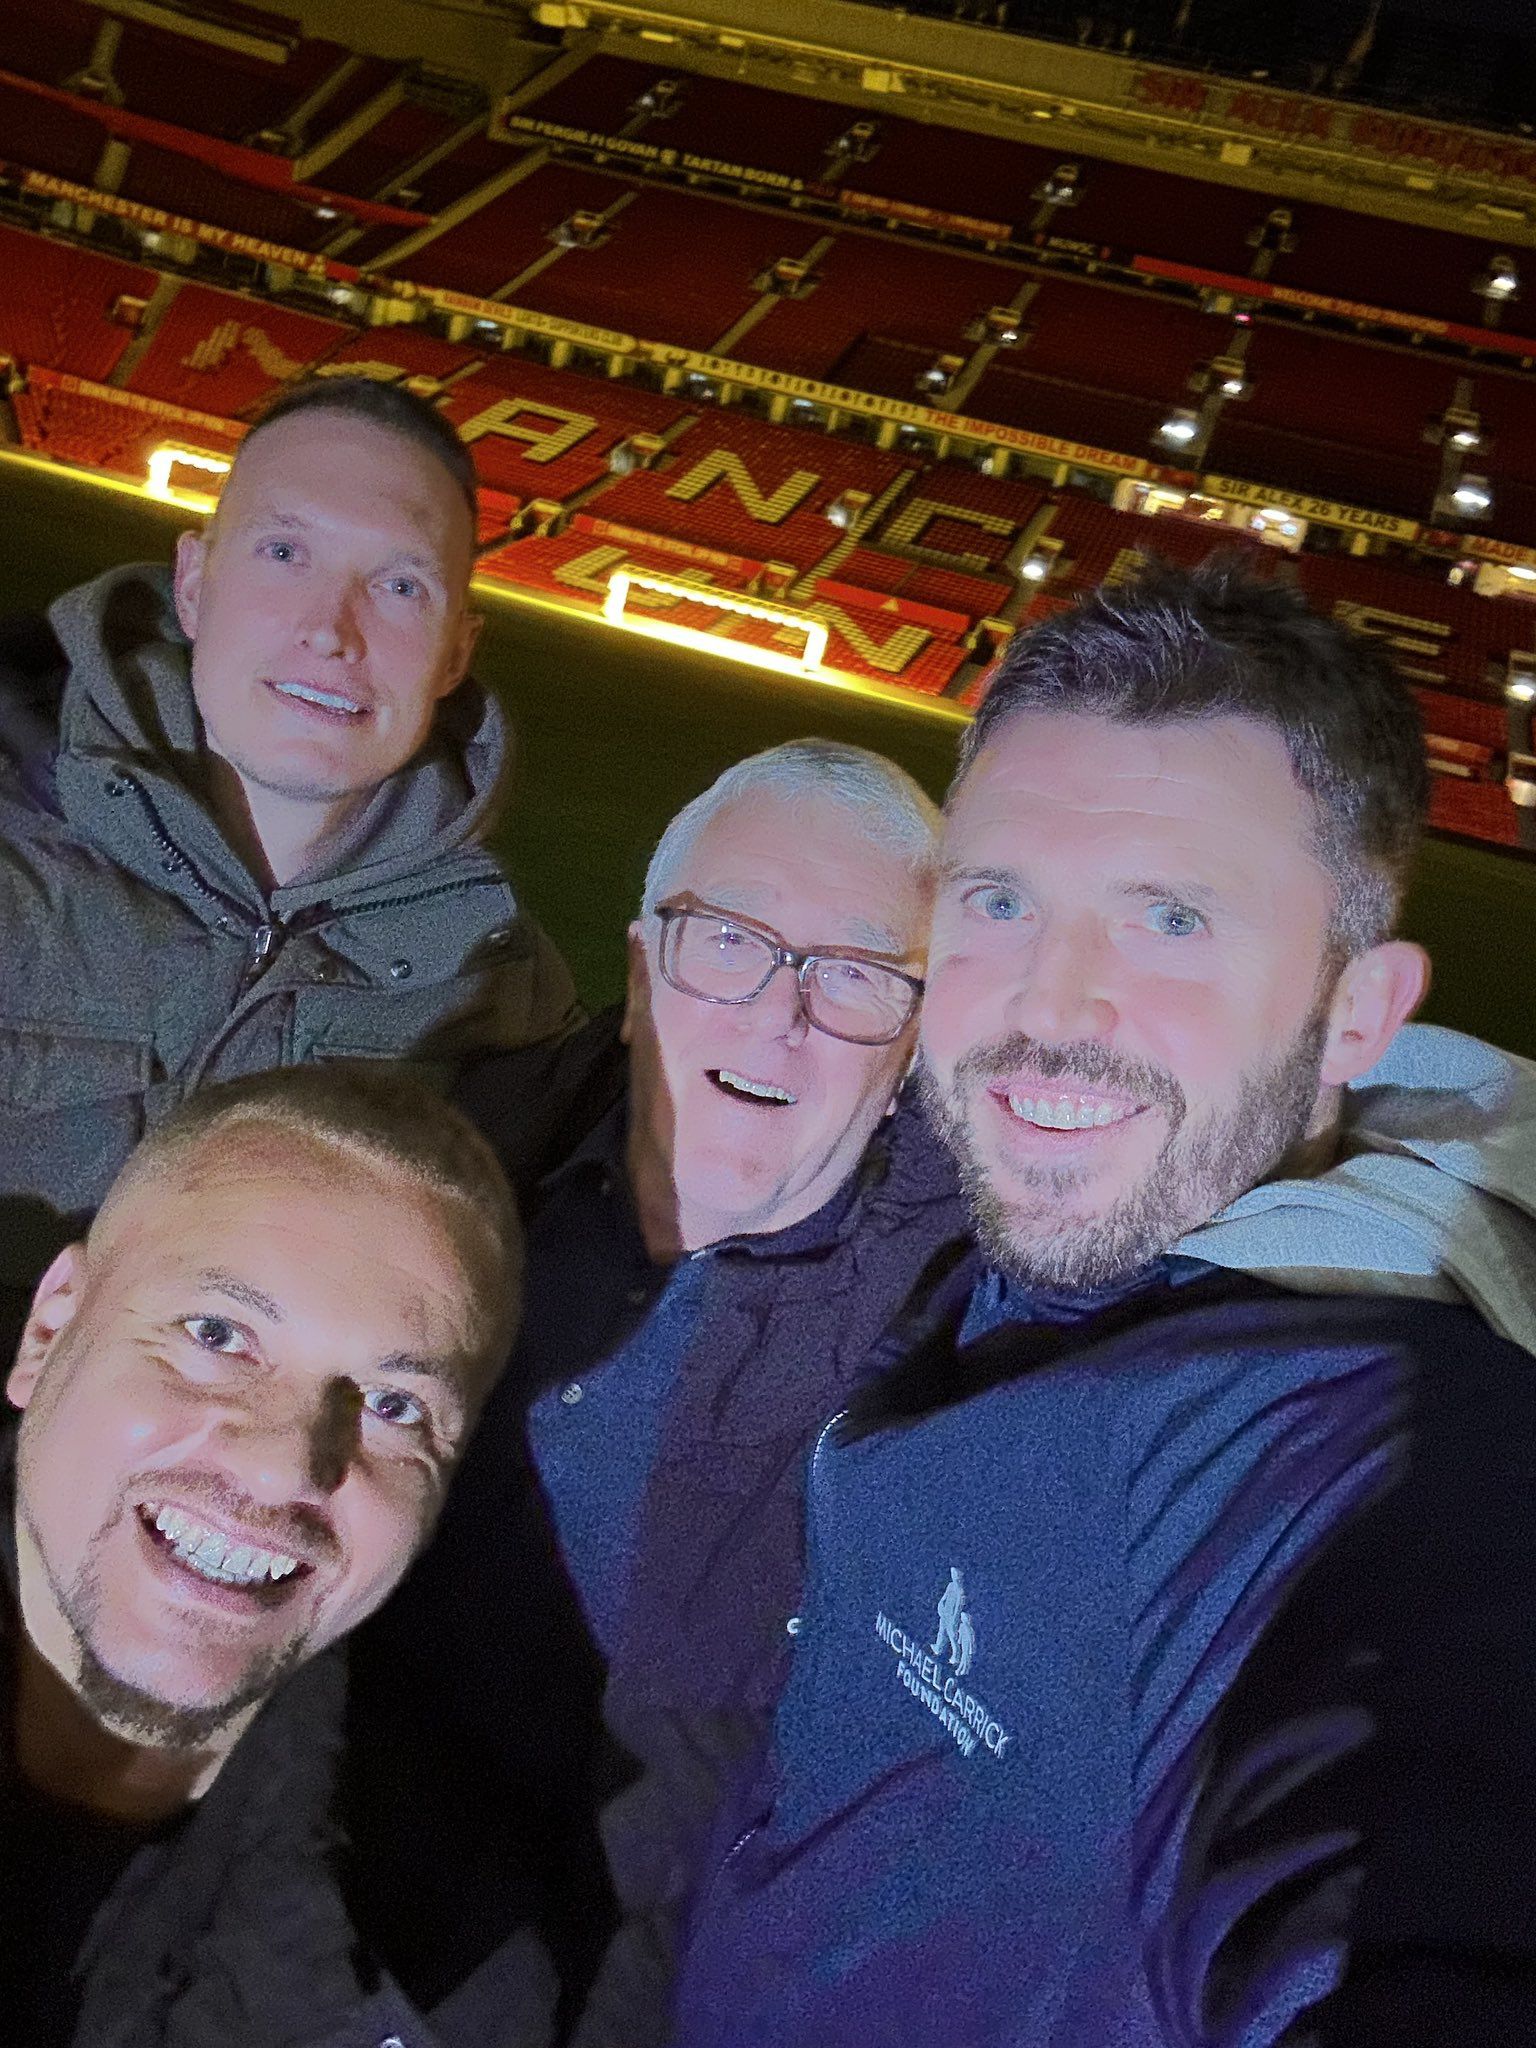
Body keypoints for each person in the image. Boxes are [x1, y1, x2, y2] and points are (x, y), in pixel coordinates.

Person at [674, 559, 1536, 2045]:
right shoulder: (1029, 1238)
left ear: (1358, 1012)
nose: (1050, 1006)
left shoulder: (1385, 1462)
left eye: (1172, 922)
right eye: (1001, 901)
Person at [344, 740, 971, 2043]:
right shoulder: (445, 1160)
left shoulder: (962, 1360)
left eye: (857, 975)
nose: (779, 1013)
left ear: (915, 1041)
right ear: (639, 975)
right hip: (277, 1900)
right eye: (726, 940)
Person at [0, 374, 579, 1330]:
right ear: (194, 582)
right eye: (285, 551)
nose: (331, 631)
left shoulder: (508, 1002)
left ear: (454, 652)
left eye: (399, 586)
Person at [0, 1059, 532, 2047]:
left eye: (394, 1405)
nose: (288, 1462)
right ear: (48, 1327)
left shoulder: (453, 1974)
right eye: (217, 1333)